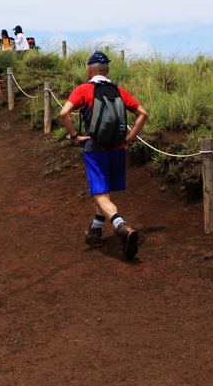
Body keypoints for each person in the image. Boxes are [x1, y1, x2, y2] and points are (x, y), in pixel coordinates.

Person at [59, 51, 149, 260]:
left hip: (95, 148)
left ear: (89, 70)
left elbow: (64, 113)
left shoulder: (84, 89)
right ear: (107, 70)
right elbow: (142, 114)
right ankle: (95, 232)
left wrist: (74, 137)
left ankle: (121, 227)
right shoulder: (119, 91)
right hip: (117, 149)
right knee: (105, 191)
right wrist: (129, 138)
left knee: (100, 193)